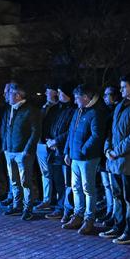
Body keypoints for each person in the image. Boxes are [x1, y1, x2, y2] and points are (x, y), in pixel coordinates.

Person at [100, 74, 130, 245]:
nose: (120, 90)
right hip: (114, 159)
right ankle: (118, 225)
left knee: (129, 197)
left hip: (128, 161)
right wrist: (107, 148)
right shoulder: (121, 105)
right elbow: (112, 131)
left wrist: (117, 151)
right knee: (117, 195)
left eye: (123, 87)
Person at [62, 84, 106, 235]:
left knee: (88, 188)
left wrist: (83, 150)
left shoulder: (96, 112)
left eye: (77, 98)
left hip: (88, 158)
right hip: (75, 156)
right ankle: (78, 215)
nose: (75, 101)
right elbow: (71, 132)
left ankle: (89, 218)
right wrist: (67, 151)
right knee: (76, 187)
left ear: (86, 97)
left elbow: (96, 135)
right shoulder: (79, 111)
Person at [1, 82, 41, 221]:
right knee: (14, 180)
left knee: (26, 181)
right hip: (10, 151)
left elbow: (35, 132)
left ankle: (28, 208)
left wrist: (27, 150)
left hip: (23, 152)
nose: (6, 95)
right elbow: (5, 129)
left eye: (9, 93)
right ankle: (17, 205)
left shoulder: (30, 110)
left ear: (17, 95)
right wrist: (5, 147)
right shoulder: (9, 109)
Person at [44, 82, 76, 223]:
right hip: (54, 150)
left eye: (61, 92)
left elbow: (69, 131)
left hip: (63, 150)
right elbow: (50, 125)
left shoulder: (73, 110)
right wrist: (49, 140)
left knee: (67, 182)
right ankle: (60, 206)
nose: (58, 94)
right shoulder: (57, 109)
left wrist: (56, 141)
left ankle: (67, 208)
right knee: (58, 180)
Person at [34, 84, 60, 213]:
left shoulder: (59, 108)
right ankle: (46, 199)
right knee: (45, 173)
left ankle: (57, 199)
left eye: (48, 91)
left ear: (55, 93)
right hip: (41, 143)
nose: (45, 93)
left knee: (56, 173)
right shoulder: (44, 107)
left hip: (52, 144)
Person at [98, 85, 122, 227]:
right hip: (104, 151)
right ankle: (109, 210)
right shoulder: (105, 111)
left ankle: (114, 213)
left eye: (108, 94)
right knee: (106, 185)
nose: (105, 97)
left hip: (111, 153)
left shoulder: (116, 111)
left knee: (113, 186)